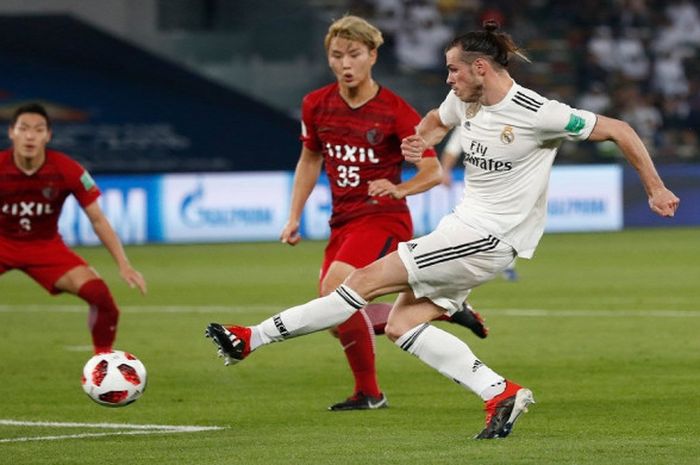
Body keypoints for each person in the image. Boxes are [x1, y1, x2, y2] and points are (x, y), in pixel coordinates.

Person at [206, 21, 679, 439]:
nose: (448, 79)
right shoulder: (463, 99)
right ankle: (501, 392)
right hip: (465, 229)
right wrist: (422, 138)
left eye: (454, 70)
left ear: (480, 69)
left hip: (487, 238)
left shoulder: (539, 112)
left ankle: (251, 338)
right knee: (402, 325)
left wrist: (655, 189)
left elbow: (619, 128)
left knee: (359, 284)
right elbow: (436, 119)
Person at [278, 15, 488, 412]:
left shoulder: (394, 111)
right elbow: (310, 159)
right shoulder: (315, 104)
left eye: (354, 54)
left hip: (383, 218)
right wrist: (293, 216)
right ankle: (373, 388)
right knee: (335, 316)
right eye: (337, 55)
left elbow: (432, 170)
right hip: (342, 221)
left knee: (333, 293)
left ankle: (374, 387)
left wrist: (398, 188)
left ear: (372, 55)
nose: (345, 64)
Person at [0, 103, 147, 354]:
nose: (30, 135)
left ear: (48, 135)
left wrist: (123, 263)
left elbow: (98, 219)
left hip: (45, 248)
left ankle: (102, 362)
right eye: (23, 129)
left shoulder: (67, 169)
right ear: (12, 133)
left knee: (101, 298)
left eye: (38, 129)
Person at [440, 128, 519, 281]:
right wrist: (445, 171)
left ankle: (508, 266)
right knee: (466, 223)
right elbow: (452, 149)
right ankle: (457, 261)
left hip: (506, 183)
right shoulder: (468, 123)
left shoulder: (511, 122)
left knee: (507, 224)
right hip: (477, 187)